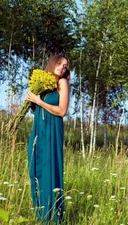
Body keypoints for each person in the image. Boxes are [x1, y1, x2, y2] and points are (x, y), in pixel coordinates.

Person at [26, 54, 70, 224]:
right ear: (52, 63)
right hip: (38, 129)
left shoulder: (62, 83)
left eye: (65, 66)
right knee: (36, 170)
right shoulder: (43, 83)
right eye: (60, 64)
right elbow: (35, 110)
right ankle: (41, 216)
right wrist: (31, 101)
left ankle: (54, 218)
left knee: (50, 169)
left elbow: (61, 111)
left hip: (52, 129)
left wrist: (39, 101)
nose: (62, 67)